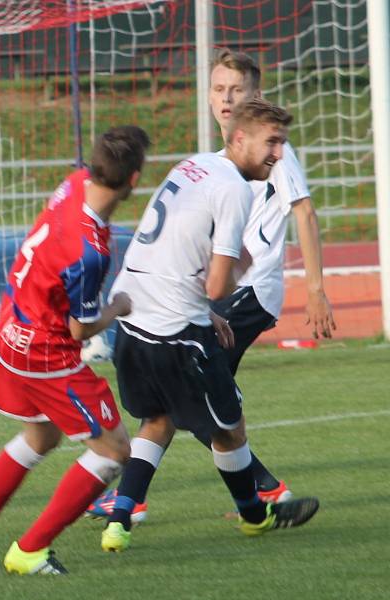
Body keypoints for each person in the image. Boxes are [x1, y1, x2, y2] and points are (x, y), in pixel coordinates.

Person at [87, 49, 336, 521]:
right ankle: (135, 501)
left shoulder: (271, 152)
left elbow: (302, 209)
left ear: (253, 97)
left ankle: (262, 494)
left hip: (249, 289)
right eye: (219, 89)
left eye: (237, 90)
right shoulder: (215, 163)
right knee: (180, 402)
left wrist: (316, 288)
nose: (226, 98)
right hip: (211, 296)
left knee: (202, 405)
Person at [0, 126, 150, 575]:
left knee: (41, 436)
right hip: (45, 353)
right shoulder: (90, 251)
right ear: (134, 180)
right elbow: (80, 329)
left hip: (7, 330)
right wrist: (118, 307)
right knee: (114, 450)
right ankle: (30, 549)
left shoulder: (72, 184)